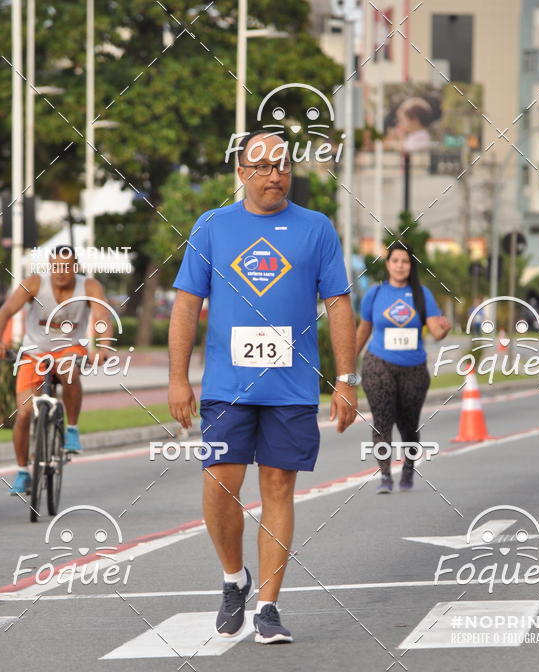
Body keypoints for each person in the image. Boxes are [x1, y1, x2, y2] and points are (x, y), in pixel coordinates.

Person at [168, 130, 358, 645]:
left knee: (278, 488)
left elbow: (339, 303)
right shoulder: (212, 227)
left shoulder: (316, 229)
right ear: (242, 172)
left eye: (284, 164)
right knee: (220, 482)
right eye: (264, 164)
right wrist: (177, 378)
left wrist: (345, 380)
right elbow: (186, 304)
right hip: (227, 386)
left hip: (292, 388)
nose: (276, 173)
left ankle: (268, 607)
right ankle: (235, 579)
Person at [0, 246, 111, 495]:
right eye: (56, 266)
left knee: (69, 369)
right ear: (49, 266)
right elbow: (5, 312)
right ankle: (23, 471)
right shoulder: (34, 284)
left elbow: (102, 318)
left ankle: (72, 430)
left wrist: (103, 347)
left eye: (66, 267)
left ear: (75, 267)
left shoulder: (89, 287)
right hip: (34, 352)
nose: (61, 272)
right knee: (24, 414)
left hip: (70, 350)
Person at [356, 241, 451, 494]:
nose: (400, 266)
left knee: (408, 425)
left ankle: (408, 466)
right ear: (387, 264)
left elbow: (435, 329)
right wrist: (347, 362)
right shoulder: (375, 295)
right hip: (378, 364)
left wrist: (443, 329)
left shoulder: (421, 295)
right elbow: (363, 330)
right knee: (382, 421)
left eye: (405, 261)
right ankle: (385, 475)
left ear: (411, 266)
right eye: (395, 260)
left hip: (413, 369)